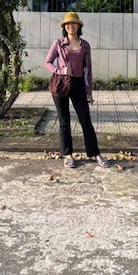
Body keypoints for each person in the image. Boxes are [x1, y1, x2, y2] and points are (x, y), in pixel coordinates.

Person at [44, 11, 110, 169]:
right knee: (64, 121)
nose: (70, 26)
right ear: (64, 27)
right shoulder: (59, 43)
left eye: (73, 23)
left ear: (78, 26)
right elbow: (47, 62)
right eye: (67, 24)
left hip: (79, 84)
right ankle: (67, 155)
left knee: (85, 119)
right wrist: (61, 70)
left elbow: (88, 69)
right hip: (61, 83)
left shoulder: (85, 45)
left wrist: (89, 90)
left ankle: (95, 153)